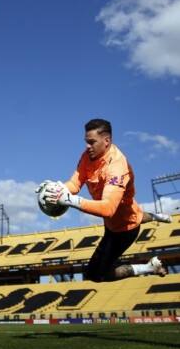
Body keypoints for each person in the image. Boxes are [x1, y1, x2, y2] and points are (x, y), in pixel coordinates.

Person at [40, 118, 170, 283]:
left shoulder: (117, 167)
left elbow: (108, 209)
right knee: (134, 212)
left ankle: (148, 268)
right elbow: (74, 183)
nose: (87, 146)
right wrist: (57, 190)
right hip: (123, 214)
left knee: (95, 275)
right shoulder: (88, 156)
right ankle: (156, 216)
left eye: (91, 142)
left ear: (106, 140)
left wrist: (71, 200)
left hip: (123, 230)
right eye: (86, 142)